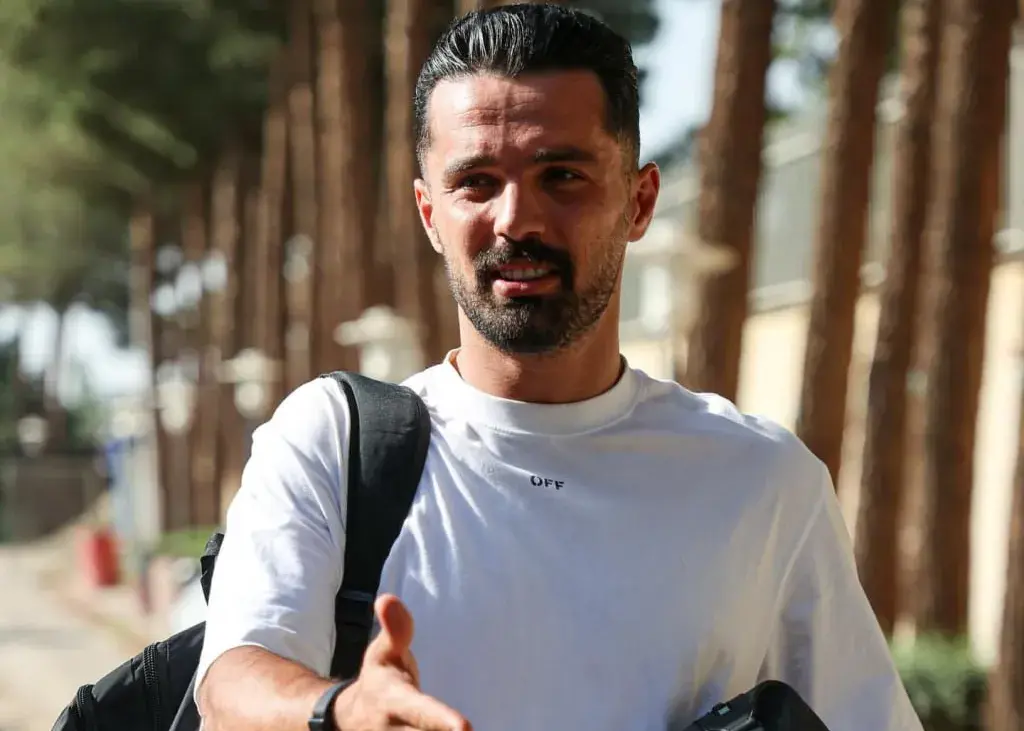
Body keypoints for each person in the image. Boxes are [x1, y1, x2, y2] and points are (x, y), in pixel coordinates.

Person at [195, 4, 923, 731]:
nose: (517, 219)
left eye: (563, 175)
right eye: (477, 181)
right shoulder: (334, 444)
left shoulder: (764, 480)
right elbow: (230, 685)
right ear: (429, 213)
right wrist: (342, 710)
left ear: (639, 202)